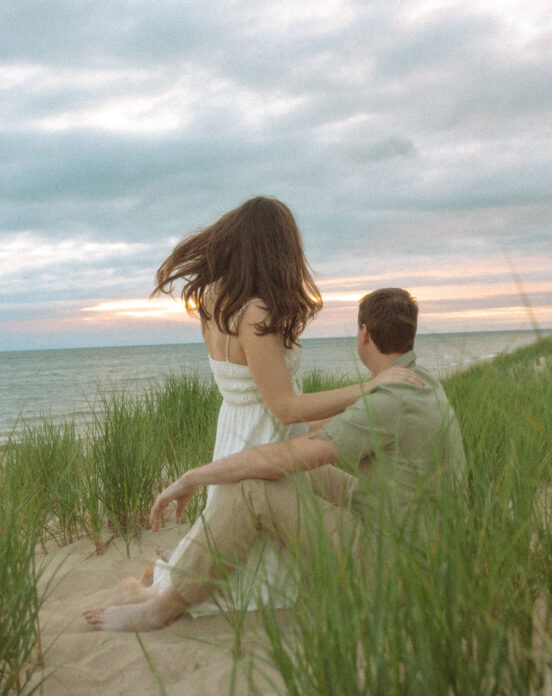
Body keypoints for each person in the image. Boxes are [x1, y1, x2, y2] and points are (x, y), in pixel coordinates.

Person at [83, 287, 467, 631]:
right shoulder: (417, 381)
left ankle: (164, 607)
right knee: (304, 475)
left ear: (364, 334)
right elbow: (324, 427)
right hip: (408, 528)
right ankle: (205, 552)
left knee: (256, 489)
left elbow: (286, 457)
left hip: (396, 564)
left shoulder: (391, 398)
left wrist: (193, 476)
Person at [146, 198, 420, 613]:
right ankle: (163, 593)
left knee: (237, 538)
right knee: (255, 568)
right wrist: (371, 387)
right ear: (276, 251)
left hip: (238, 426)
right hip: (262, 434)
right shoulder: (255, 311)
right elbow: (285, 407)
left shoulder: (213, 303)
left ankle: (175, 576)